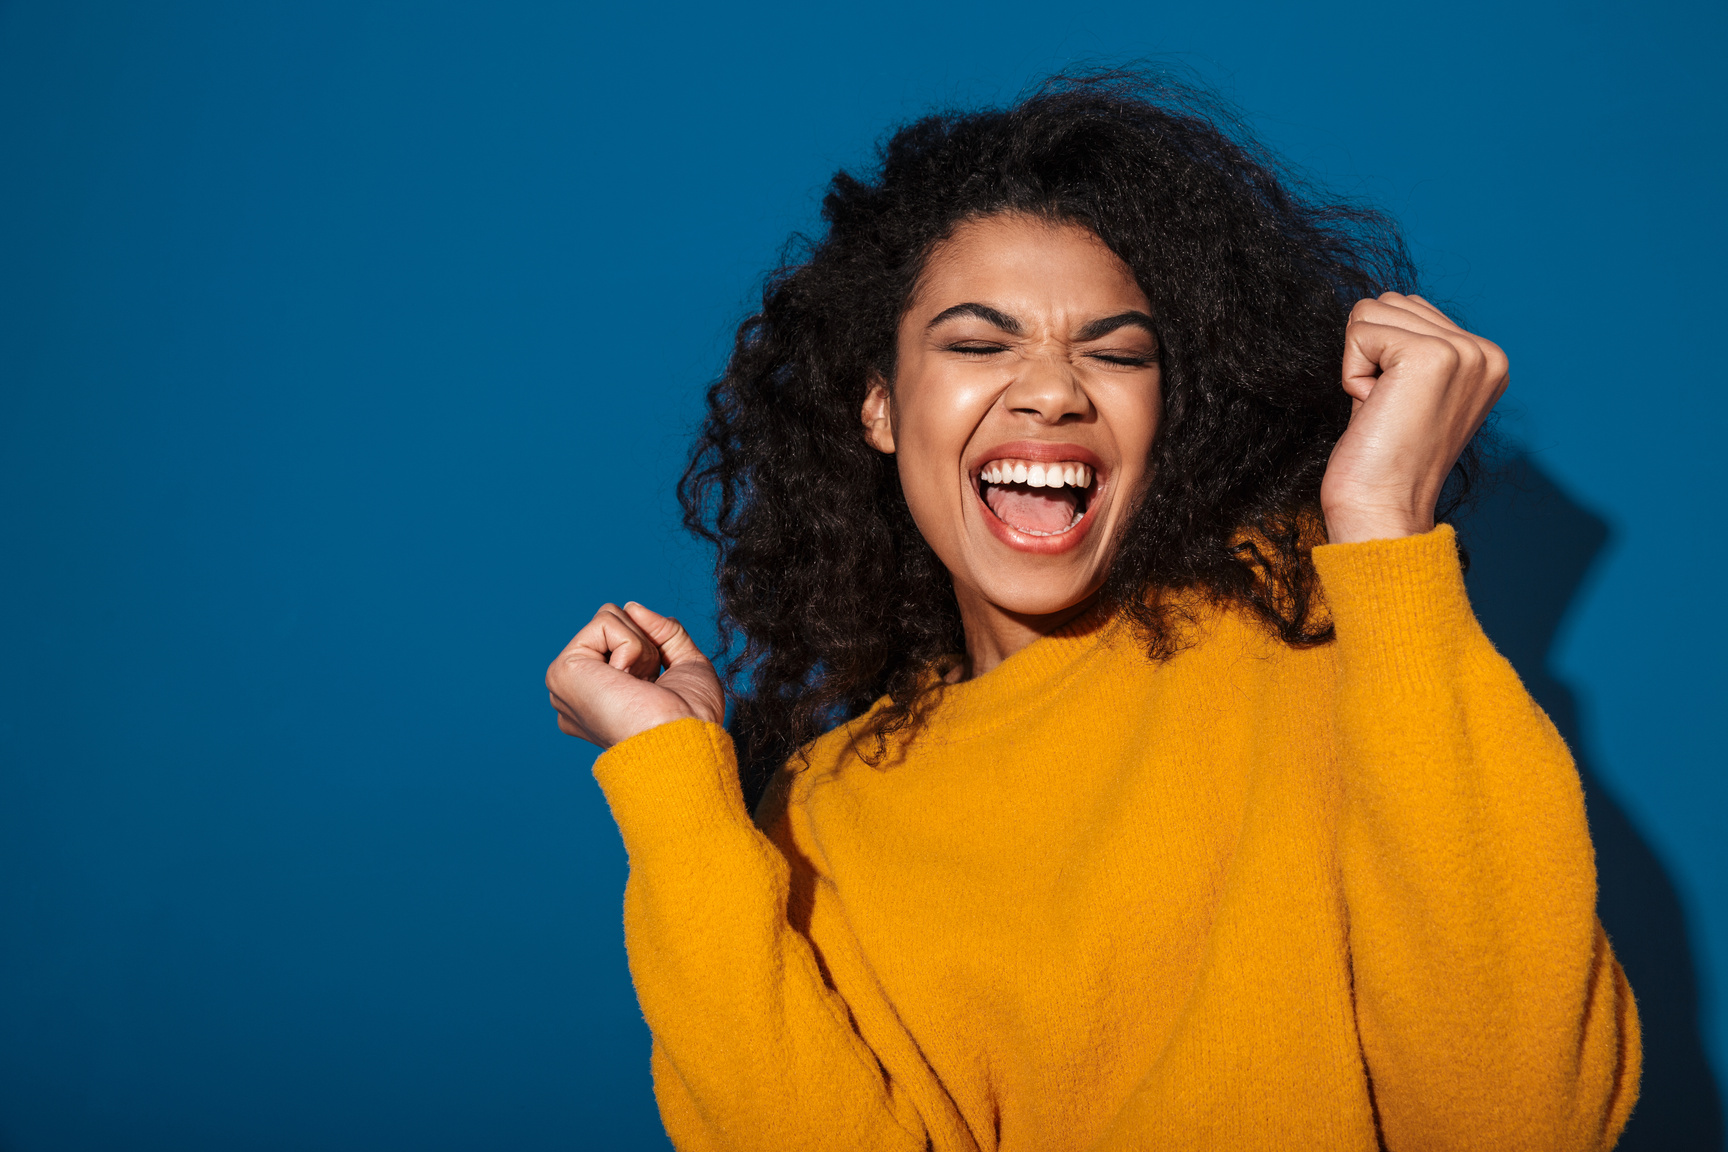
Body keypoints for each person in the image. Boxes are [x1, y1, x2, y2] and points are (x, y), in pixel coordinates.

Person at [545, 72, 1640, 1151]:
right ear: (879, 405)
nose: (1055, 389)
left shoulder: (1324, 634)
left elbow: (1524, 1119)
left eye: (1116, 353)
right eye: (978, 344)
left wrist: (1386, 528)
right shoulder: (829, 809)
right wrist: (675, 786)